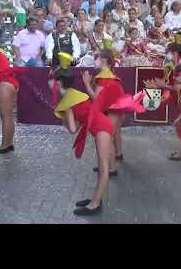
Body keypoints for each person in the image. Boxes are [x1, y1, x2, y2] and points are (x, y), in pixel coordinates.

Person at [49, 54, 113, 215]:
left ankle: (95, 204)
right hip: (101, 126)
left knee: (103, 168)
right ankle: (95, 198)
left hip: (102, 127)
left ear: (59, 83)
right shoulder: (72, 95)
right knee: (102, 167)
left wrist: (62, 116)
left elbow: (72, 129)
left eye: (51, 79)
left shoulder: (68, 101)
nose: (49, 82)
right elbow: (77, 126)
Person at [82, 49, 145, 167]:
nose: (94, 61)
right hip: (119, 108)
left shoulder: (102, 77)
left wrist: (86, 84)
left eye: (96, 58)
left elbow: (96, 98)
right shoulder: (112, 75)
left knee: (107, 138)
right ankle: (118, 154)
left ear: (104, 60)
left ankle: (111, 168)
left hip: (112, 109)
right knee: (116, 132)